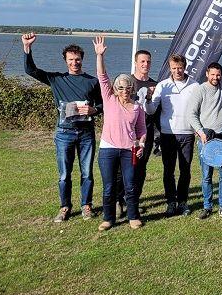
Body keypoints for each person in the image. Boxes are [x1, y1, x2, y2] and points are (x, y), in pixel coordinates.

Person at [22, 32, 102, 222]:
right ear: (65, 61)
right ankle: (65, 207)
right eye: (71, 60)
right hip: (64, 134)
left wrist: (93, 110)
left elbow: (102, 105)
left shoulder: (92, 81)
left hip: (86, 134)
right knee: (64, 174)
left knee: (87, 173)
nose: (75, 63)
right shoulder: (56, 79)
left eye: (78, 59)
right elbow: (30, 70)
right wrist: (27, 47)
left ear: (82, 59)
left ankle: (86, 206)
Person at [92, 36, 147, 231]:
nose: (125, 90)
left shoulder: (137, 106)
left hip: (129, 150)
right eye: (121, 87)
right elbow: (102, 76)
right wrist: (100, 55)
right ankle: (109, 218)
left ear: (132, 88)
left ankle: (133, 216)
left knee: (130, 185)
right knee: (108, 187)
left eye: (128, 87)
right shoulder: (109, 99)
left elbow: (142, 130)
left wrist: (140, 145)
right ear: (116, 88)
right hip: (108, 149)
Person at [186, 38, 222, 220]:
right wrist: (201, 132)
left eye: (218, 74)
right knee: (206, 176)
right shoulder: (200, 90)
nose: (216, 78)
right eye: (213, 74)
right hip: (206, 139)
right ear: (207, 74)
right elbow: (191, 114)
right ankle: (207, 206)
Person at [146, 53, 199, 217]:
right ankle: (171, 202)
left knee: (185, 170)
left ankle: (182, 202)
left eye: (180, 68)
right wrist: (148, 99)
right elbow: (151, 110)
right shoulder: (162, 86)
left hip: (187, 134)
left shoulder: (195, 85)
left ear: (185, 67)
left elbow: (200, 109)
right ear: (170, 68)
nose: (177, 71)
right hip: (167, 134)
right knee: (168, 171)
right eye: (174, 68)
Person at [114, 49, 157, 218]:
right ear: (136, 63)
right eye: (142, 62)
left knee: (140, 168)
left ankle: (133, 201)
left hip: (146, 133)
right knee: (122, 169)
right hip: (126, 133)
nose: (145, 65)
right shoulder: (127, 82)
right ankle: (118, 200)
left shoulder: (155, 84)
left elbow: (156, 110)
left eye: (148, 62)